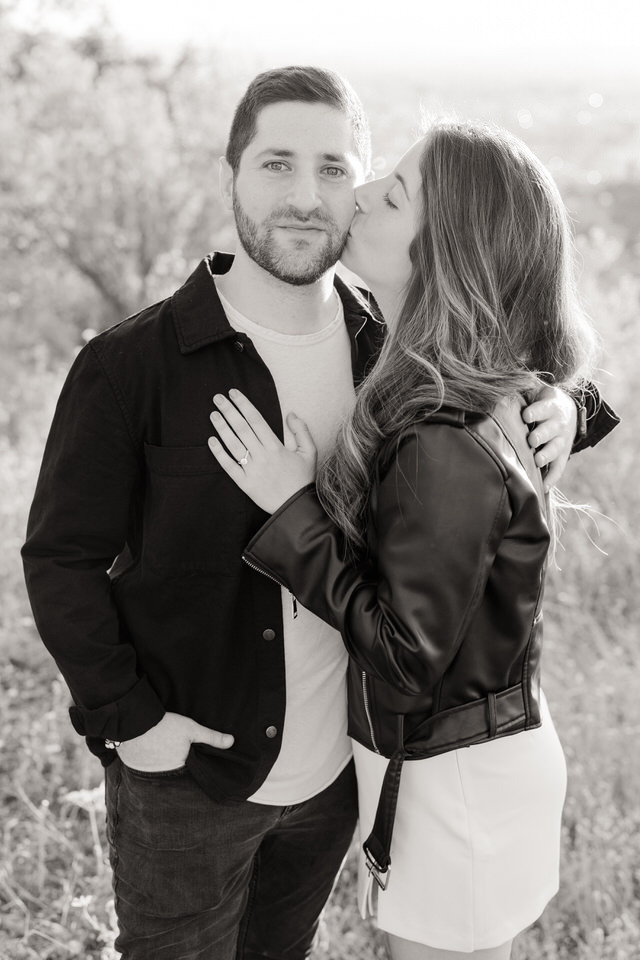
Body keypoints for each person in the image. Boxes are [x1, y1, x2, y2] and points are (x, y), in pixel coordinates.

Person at [21, 65, 615, 960]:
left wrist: (570, 404)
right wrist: (127, 719)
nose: (307, 196)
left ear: (365, 188)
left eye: (336, 169)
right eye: (277, 165)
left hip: (344, 777)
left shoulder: (389, 343)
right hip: (193, 780)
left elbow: (500, 347)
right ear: (231, 174)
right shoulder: (131, 365)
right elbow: (60, 560)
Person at [206, 118, 619, 960]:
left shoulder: (438, 435)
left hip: (454, 783)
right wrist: (573, 408)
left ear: (444, 254)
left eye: (392, 194)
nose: (358, 194)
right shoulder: (447, 371)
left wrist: (292, 514)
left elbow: (404, 658)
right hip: (473, 759)